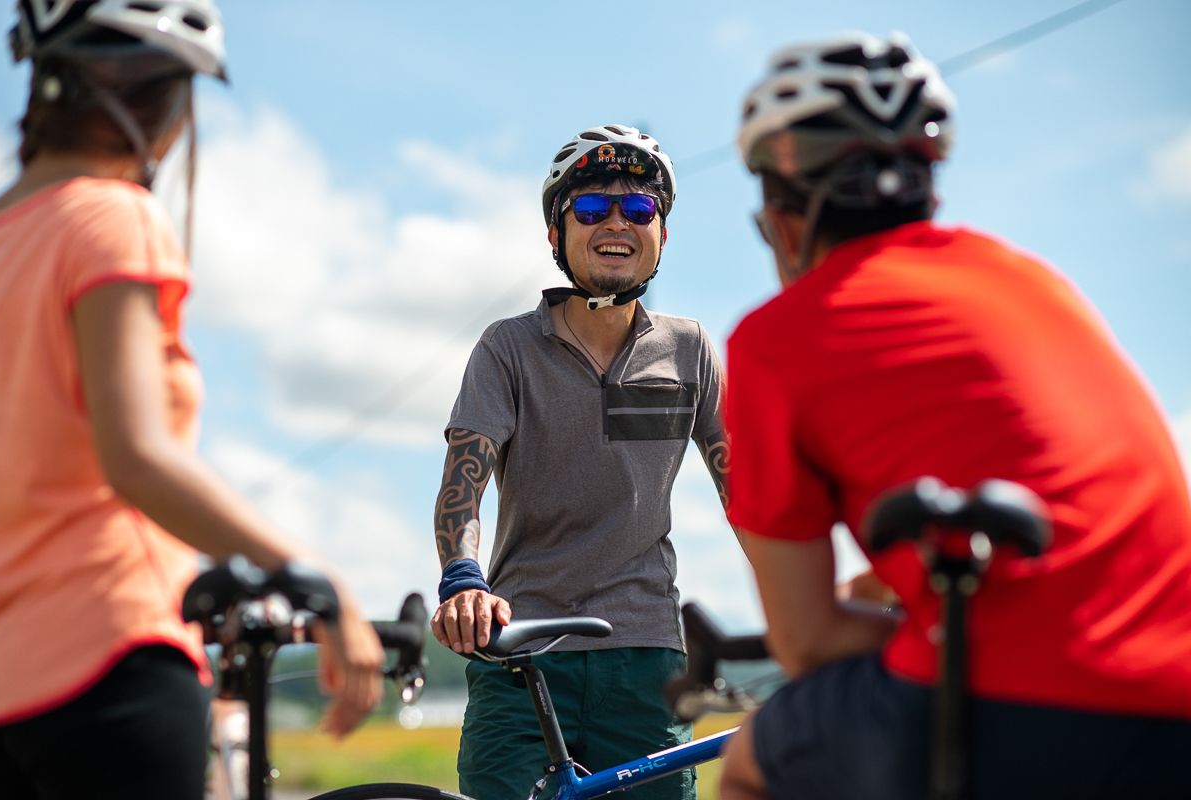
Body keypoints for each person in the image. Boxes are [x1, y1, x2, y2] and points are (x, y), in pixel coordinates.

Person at [718, 31, 1191, 800]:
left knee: (752, 763)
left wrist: (902, 625)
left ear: (781, 209)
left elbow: (806, 643)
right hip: (1178, 703)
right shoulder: (1036, 281)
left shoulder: (775, 338)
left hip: (1020, 715)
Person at [0, 2, 385, 798]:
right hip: (110, 660)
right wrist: (315, 577)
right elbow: (137, 456)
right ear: (161, 102)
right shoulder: (111, 217)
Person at [430, 123, 731, 799]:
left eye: (639, 208)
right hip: (521, 648)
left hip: (647, 653)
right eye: (592, 209)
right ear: (555, 234)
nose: (616, 223)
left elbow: (749, 496)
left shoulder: (690, 351)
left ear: (662, 232)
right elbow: (462, 487)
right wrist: (462, 580)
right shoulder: (507, 349)